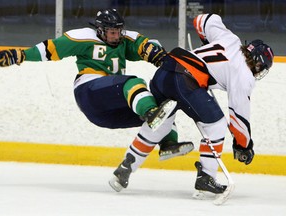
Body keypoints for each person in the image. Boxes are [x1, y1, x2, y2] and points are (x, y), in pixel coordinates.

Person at [110, 13, 274, 194]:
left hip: (165, 69)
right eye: (261, 68)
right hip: (186, 81)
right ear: (258, 64)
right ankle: (206, 176)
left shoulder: (231, 39)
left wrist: (206, 40)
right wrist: (244, 146)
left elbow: (203, 19)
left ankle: (124, 169)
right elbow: (239, 119)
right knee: (217, 125)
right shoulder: (244, 76)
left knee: (161, 125)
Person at [0, 9, 193, 160]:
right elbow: (51, 48)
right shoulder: (84, 37)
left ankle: (167, 145)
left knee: (164, 108)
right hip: (89, 92)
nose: (116, 36)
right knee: (134, 84)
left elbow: (142, 44)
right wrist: (20, 55)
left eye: (118, 31)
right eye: (112, 32)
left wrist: (157, 53)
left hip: (106, 113)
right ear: (100, 30)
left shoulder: (123, 39)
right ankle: (150, 114)